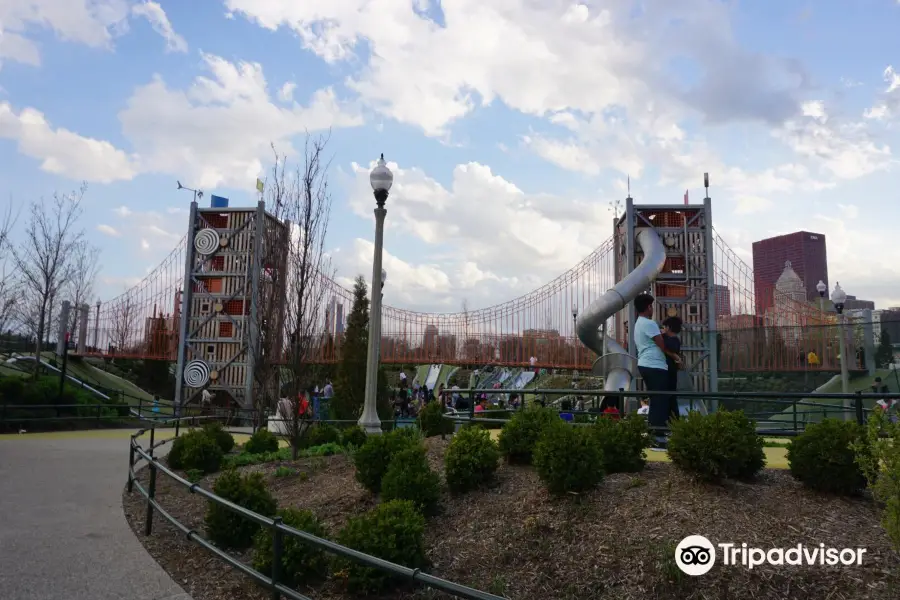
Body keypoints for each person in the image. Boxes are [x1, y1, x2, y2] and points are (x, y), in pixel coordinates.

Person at [633, 293, 680, 449]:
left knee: (656, 399)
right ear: (648, 307)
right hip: (655, 366)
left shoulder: (638, 323)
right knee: (661, 400)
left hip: (645, 364)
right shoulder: (649, 323)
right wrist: (675, 356)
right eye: (651, 306)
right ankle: (658, 437)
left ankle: (655, 434)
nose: (652, 309)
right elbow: (662, 345)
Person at [661, 316, 683, 423]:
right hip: (668, 372)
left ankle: (674, 421)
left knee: (670, 398)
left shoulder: (674, 341)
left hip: (670, 373)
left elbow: (668, 347)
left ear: (669, 327)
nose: (663, 329)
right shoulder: (669, 339)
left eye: (665, 327)